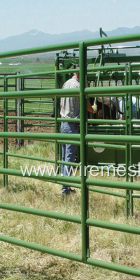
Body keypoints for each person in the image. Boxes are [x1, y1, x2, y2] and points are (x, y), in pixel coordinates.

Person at [60, 68, 80, 197]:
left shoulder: (65, 83)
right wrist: (93, 109)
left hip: (63, 123)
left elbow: (61, 103)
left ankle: (65, 186)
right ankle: (65, 189)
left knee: (64, 157)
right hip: (72, 124)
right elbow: (85, 104)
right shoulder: (78, 86)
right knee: (69, 158)